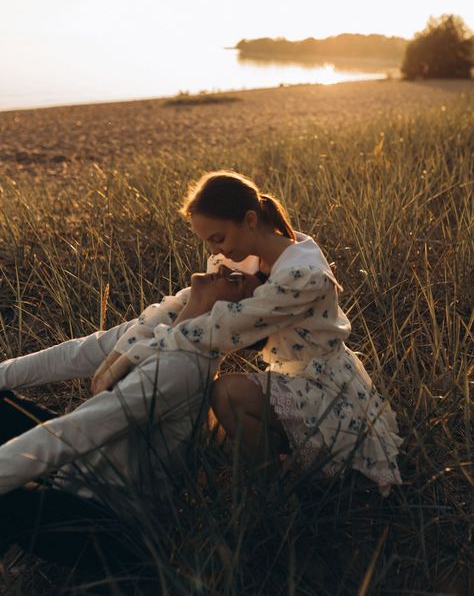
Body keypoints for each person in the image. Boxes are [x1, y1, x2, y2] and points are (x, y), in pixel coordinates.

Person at [93, 170, 403, 496]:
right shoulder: (251, 256)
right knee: (203, 399)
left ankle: (273, 493)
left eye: (218, 238)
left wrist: (135, 355)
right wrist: (120, 353)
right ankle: (277, 469)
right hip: (291, 377)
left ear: (250, 220)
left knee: (226, 392)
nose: (216, 252)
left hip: (322, 387)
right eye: (208, 241)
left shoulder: (302, 274)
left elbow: (219, 327)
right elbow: (182, 302)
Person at [0, 269, 262, 571]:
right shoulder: (161, 327)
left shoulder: (182, 366)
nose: (225, 269)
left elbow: (73, 433)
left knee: (6, 504)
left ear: (233, 316)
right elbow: (76, 354)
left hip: (110, 523)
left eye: (236, 280)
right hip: (77, 474)